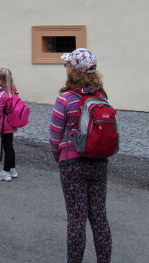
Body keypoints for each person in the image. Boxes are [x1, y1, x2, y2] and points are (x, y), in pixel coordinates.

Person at [49, 48, 112, 263]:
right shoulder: (101, 96)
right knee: (99, 217)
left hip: (72, 163)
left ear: (74, 70)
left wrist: (58, 156)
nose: (65, 68)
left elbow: (54, 134)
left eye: (67, 65)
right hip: (98, 161)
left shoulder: (66, 98)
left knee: (76, 219)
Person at [0, 67, 19, 182]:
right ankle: (12, 169)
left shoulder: (3, 95)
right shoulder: (13, 91)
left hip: (4, 124)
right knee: (10, 146)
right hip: (12, 122)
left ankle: (5, 172)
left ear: (0, 81)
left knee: (7, 147)